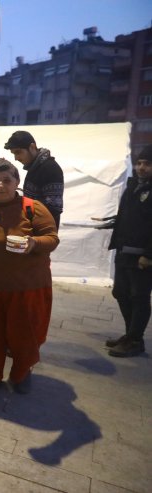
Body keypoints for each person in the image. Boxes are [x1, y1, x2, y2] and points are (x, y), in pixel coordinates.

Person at [0, 158, 59, 395]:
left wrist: (33, 243)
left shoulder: (32, 208)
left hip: (26, 289)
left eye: (7, 180)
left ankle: (21, 373)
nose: (1, 185)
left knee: (25, 337)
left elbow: (52, 238)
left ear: (17, 182)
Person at [105, 144, 152, 357]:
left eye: (147, 164)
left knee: (139, 296)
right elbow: (129, 216)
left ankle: (135, 340)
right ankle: (130, 334)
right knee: (120, 292)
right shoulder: (133, 185)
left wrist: (149, 254)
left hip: (142, 255)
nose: (141, 167)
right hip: (124, 250)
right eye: (139, 163)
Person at [4, 131, 64, 228]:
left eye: (18, 152)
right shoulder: (35, 167)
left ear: (32, 147)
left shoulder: (50, 168)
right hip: (33, 230)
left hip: (44, 233)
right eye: (14, 154)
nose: (16, 158)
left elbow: (53, 208)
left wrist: (21, 211)